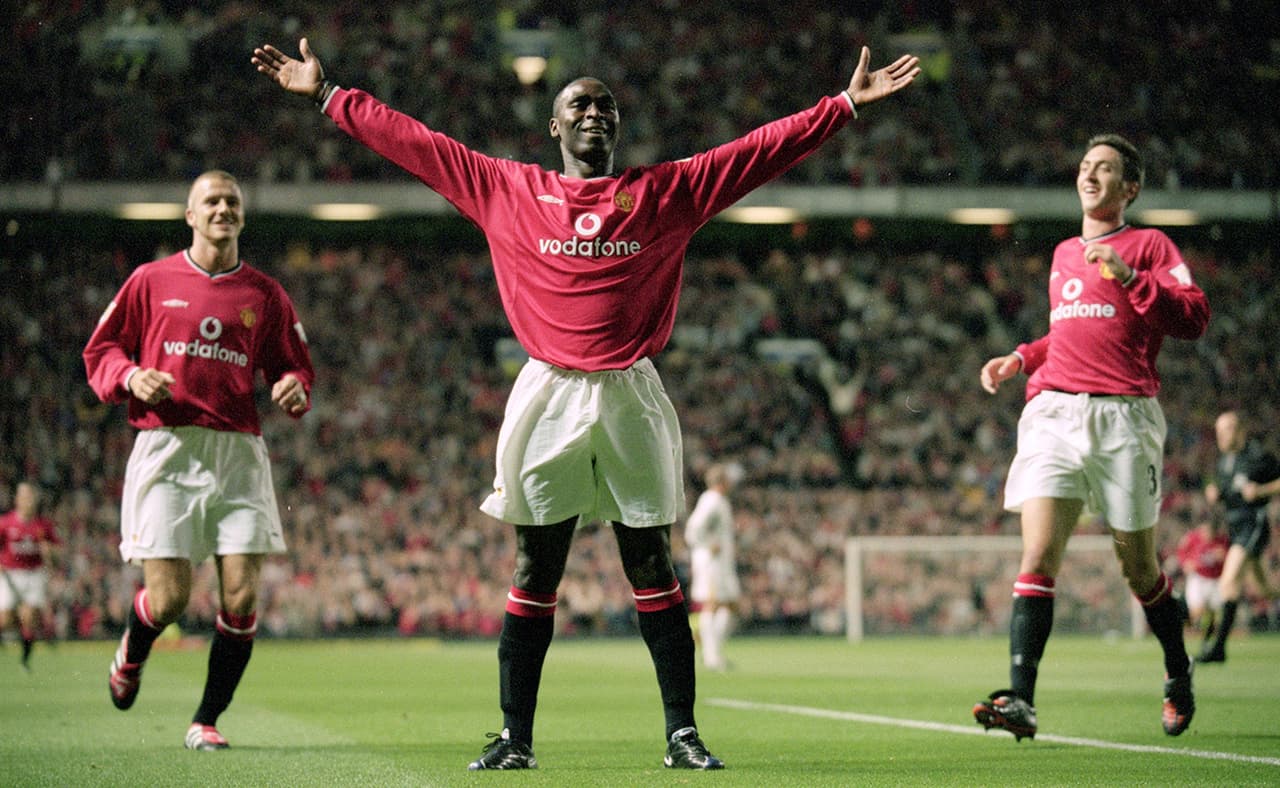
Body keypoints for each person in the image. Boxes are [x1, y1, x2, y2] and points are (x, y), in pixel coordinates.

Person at [252, 36, 919, 770]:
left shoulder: (666, 192)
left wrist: (844, 105)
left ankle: (682, 734)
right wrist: (327, 95)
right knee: (536, 566)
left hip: (631, 387)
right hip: (548, 390)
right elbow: (416, 143)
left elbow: (758, 152)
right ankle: (515, 738)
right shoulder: (505, 188)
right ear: (555, 127)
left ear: (617, 125)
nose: (594, 112)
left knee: (651, 560)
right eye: (580, 103)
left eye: (606, 105)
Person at [972, 133, 1210, 741]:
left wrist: (1134, 277)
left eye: (1105, 168)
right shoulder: (1062, 253)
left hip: (1124, 418)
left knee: (1138, 568)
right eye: (1084, 165)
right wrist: (1023, 357)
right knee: (1037, 556)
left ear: (1129, 188)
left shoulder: (1148, 245)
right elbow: (1072, 333)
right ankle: (1020, 699)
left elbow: (1194, 318)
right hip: (1055, 412)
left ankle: (1178, 670)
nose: (1090, 174)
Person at [83, 170, 315, 751]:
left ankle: (206, 720)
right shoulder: (151, 280)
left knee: (240, 597)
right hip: (169, 446)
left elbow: (295, 365)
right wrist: (132, 375)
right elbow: (101, 350)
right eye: (210, 201)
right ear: (190, 215)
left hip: (238, 451)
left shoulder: (264, 294)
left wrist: (292, 385)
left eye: (232, 201)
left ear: (242, 215)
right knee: (169, 601)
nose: (222, 208)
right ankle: (132, 653)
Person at [1197, 410, 1280, 662]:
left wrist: (1262, 490)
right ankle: (1218, 647)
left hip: (1252, 524)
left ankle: (1218, 648)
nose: (1221, 435)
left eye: (1227, 429)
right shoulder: (1225, 461)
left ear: (1241, 430)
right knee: (1264, 590)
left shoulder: (1258, 456)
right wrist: (1214, 492)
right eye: (1219, 430)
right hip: (1234, 529)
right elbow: (1225, 488)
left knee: (1228, 581)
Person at [684, 463, 742, 672]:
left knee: (730, 605)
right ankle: (711, 656)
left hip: (722, 562)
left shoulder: (718, 501)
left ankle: (714, 653)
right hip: (712, 562)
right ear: (722, 481)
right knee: (713, 604)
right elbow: (693, 528)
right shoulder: (712, 500)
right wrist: (708, 544)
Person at [0, 481, 61, 671]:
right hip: (10, 573)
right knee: (6, 619)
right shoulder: (5, 523)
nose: (28, 501)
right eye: (25, 496)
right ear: (17, 500)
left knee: (30, 616)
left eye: (31, 497)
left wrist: (49, 551)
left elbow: (57, 554)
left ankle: (24, 662)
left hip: (34, 574)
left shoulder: (43, 525)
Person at [1173, 518, 1230, 652]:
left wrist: (1224, 557)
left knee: (1216, 612)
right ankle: (1183, 632)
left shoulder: (1222, 540)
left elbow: (1229, 557)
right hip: (1198, 578)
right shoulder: (1192, 538)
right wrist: (1185, 563)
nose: (1206, 535)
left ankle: (1207, 640)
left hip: (1216, 580)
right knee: (1197, 610)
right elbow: (1182, 553)